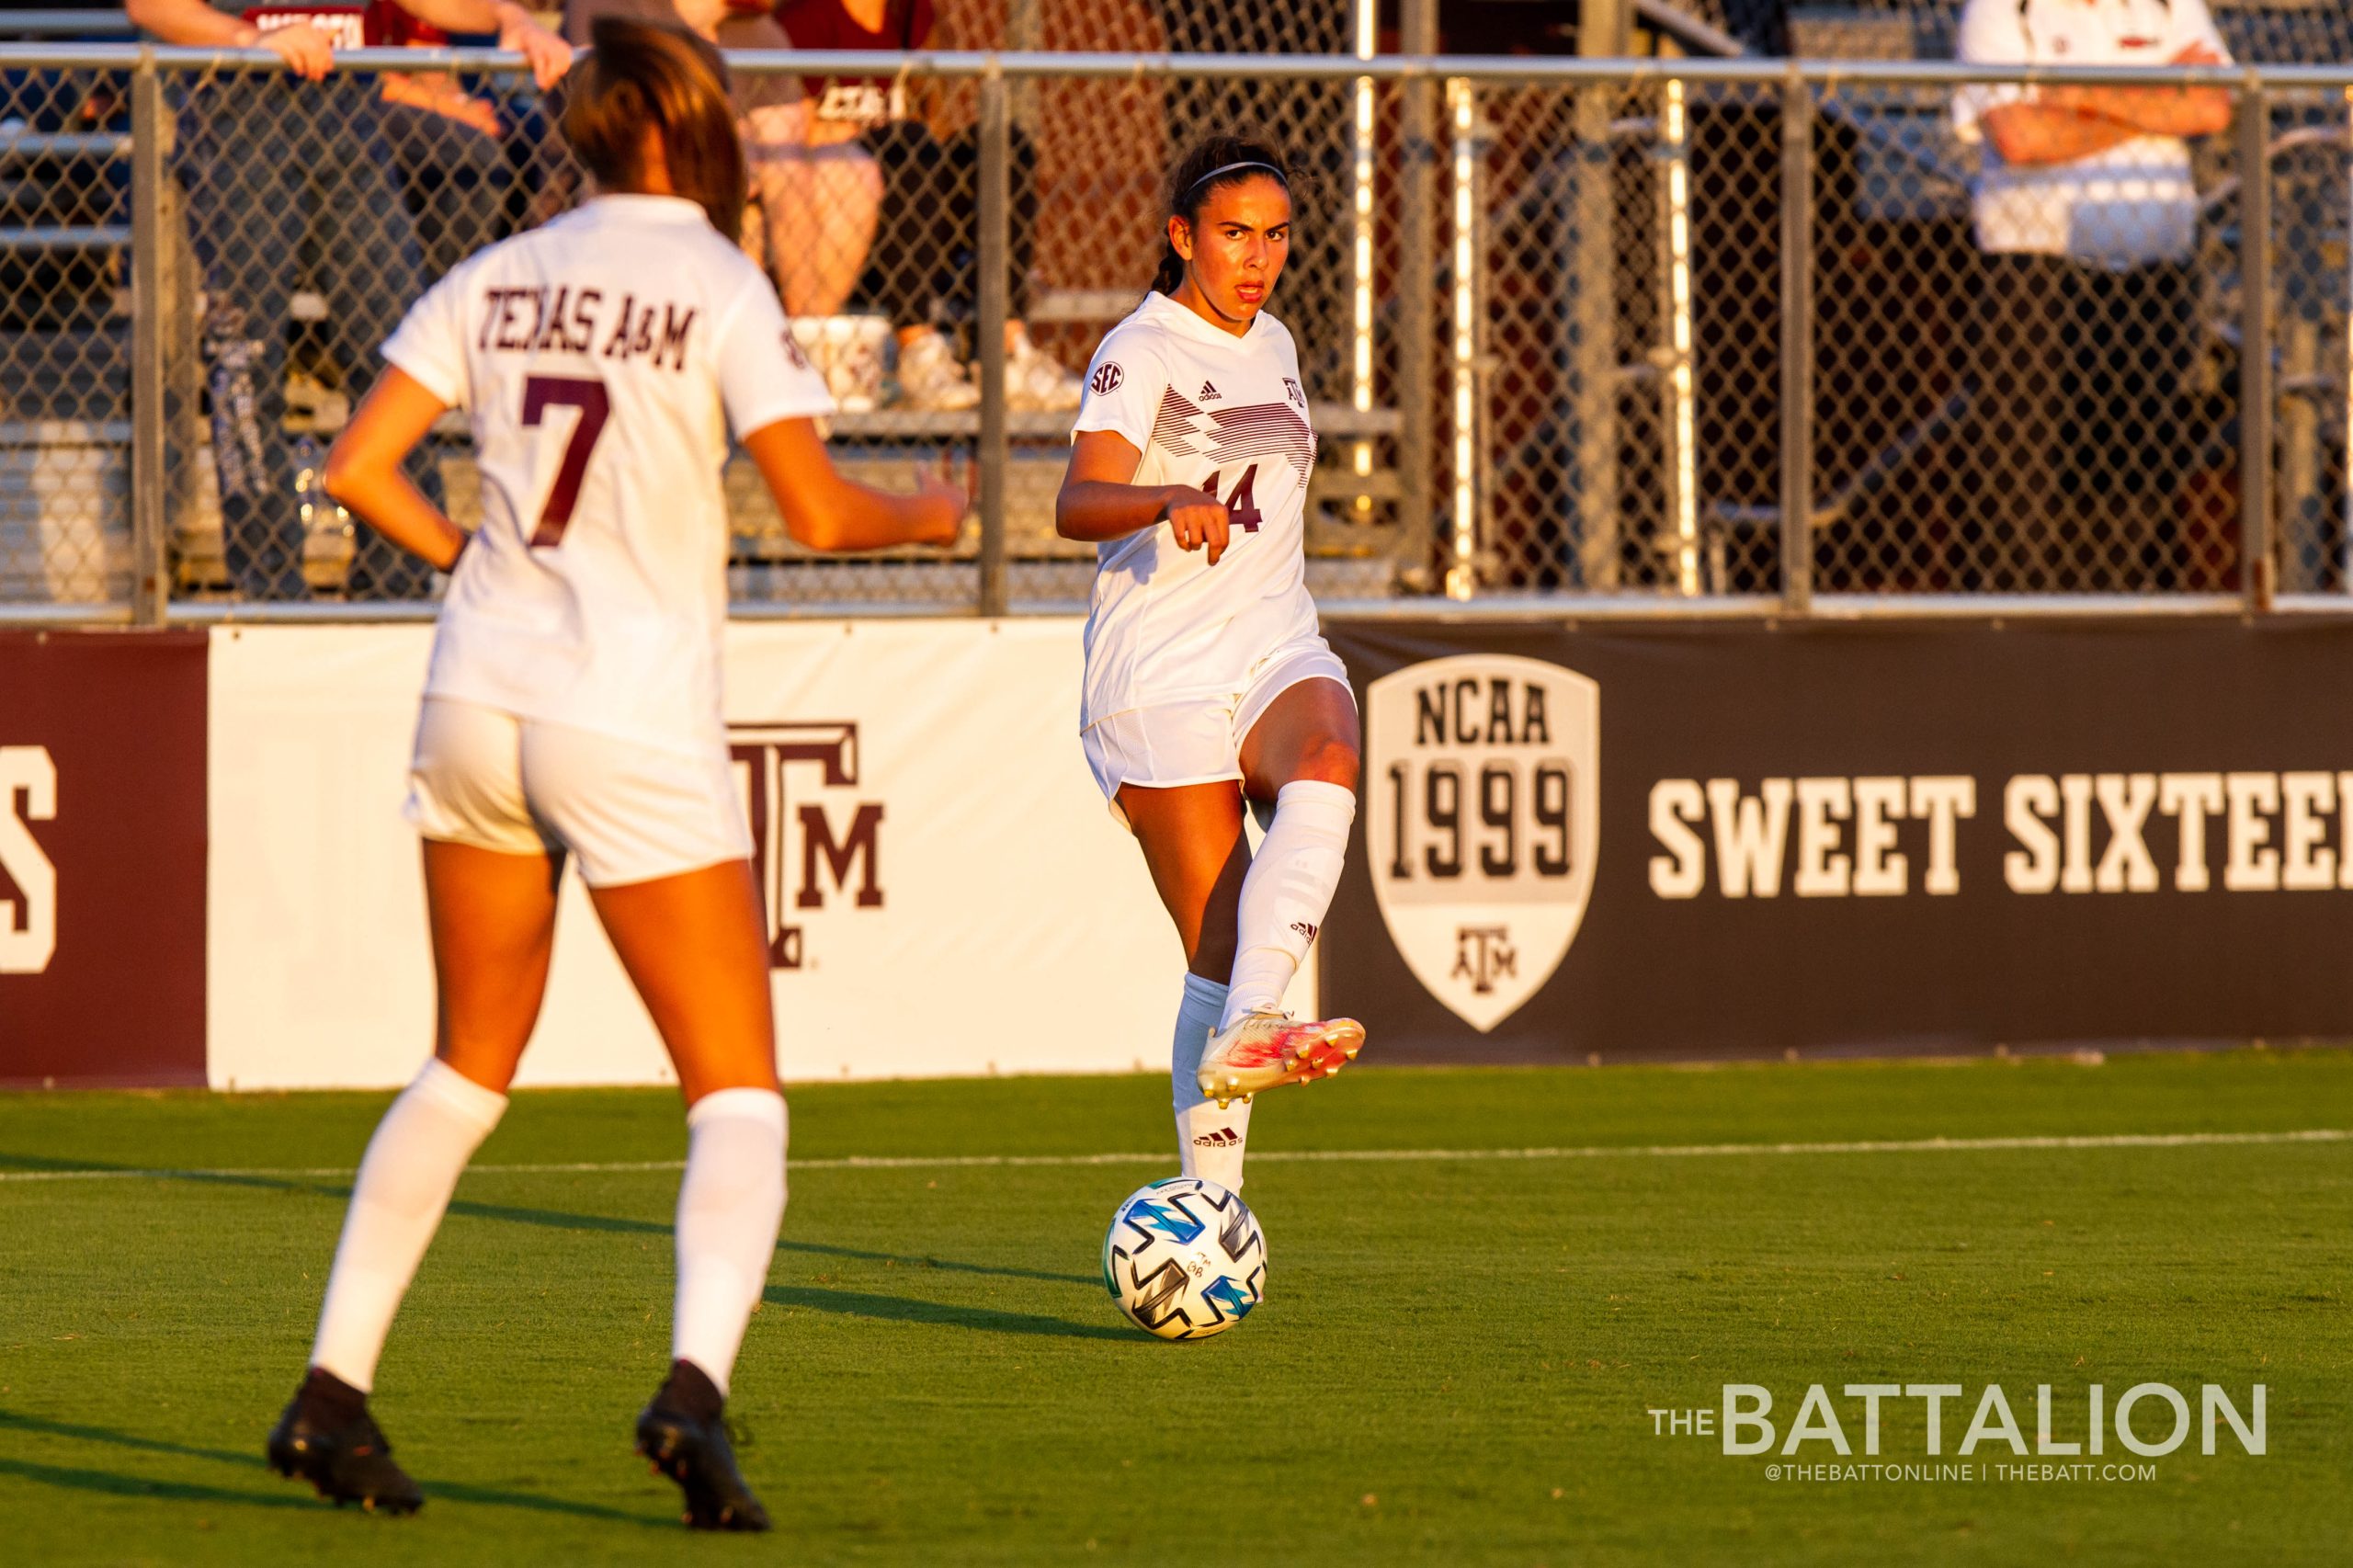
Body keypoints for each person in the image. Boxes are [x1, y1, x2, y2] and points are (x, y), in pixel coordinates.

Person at [262, 18, 962, 1529]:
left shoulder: (498, 273)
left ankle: (331, 1394)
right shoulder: (717, 279)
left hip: (476, 687)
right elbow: (821, 514)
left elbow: (356, 469)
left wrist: (481, 566)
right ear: (696, 127)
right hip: (623, 708)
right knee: (738, 1102)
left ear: (584, 131)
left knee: (462, 1069)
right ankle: (692, 1395)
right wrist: (937, 505)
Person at [1053, 135, 1363, 1197]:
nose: (1257, 256)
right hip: (1159, 668)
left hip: (1271, 635)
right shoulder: (1141, 350)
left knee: (1327, 747)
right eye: (1235, 233)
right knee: (1220, 947)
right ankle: (1212, 1212)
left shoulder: (1275, 338)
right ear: (1182, 236)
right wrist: (1161, 498)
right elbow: (1075, 501)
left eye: (1275, 235)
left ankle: (1258, 1025)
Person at [126, 0, 571, 601]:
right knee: (245, 360)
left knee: (393, 345)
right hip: (238, 108)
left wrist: (506, 17)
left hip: (347, 112)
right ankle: (269, 588)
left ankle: (399, 582)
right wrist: (247, 37)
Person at [1950, 0, 2234, 590]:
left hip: (2150, 287)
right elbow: (2020, 135)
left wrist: (2078, 94)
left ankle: (2120, 671)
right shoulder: (2001, 10)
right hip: (2035, 290)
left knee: (2132, 517)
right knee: (2022, 520)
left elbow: (2213, 105)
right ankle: (2017, 667)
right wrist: (2156, 102)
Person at [777, 0, 1082, 412]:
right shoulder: (806, 19)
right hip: (840, 240)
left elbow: (932, 126)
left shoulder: (913, 17)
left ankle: (1007, 350)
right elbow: (789, 143)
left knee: (1001, 145)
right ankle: (916, 350)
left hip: (914, 230)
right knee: (906, 144)